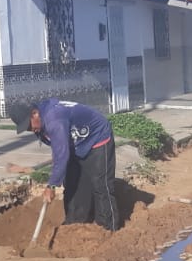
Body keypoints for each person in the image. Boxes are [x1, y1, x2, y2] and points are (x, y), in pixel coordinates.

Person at [15, 98, 119, 231]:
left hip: (96, 138)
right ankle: (74, 225)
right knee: (72, 183)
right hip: (75, 144)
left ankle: (108, 228)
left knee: (101, 184)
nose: (31, 130)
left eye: (29, 126)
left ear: (34, 113)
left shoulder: (54, 119)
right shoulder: (40, 124)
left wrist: (51, 185)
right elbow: (58, 148)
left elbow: (62, 155)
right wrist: (58, 156)